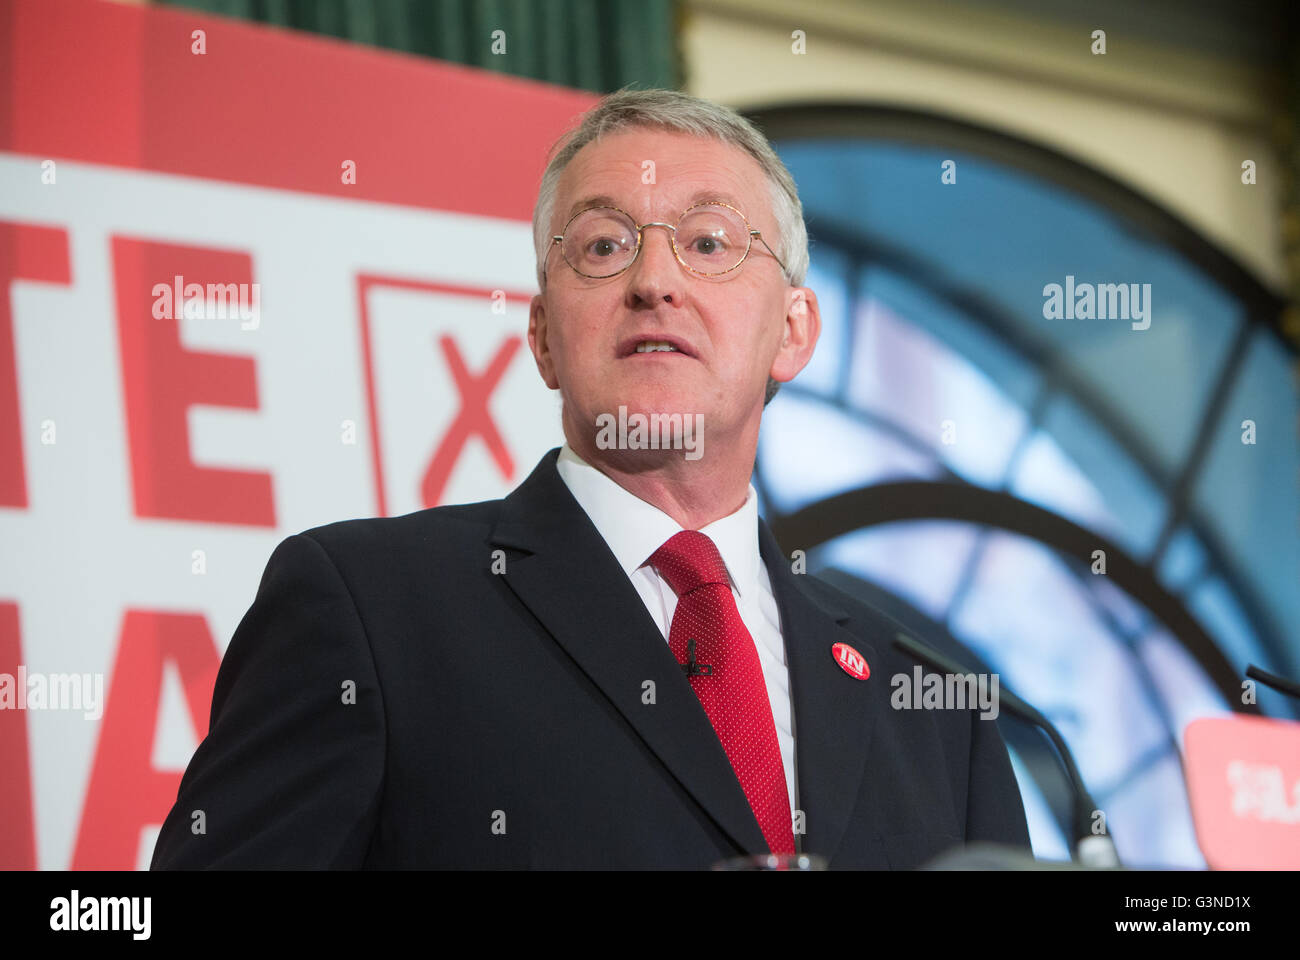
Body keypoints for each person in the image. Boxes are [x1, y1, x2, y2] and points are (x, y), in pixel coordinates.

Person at [151, 87, 1030, 869]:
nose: (654, 281)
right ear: (541, 338)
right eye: (604, 246)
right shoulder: (371, 611)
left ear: (794, 331)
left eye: (710, 242)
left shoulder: (935, 708)